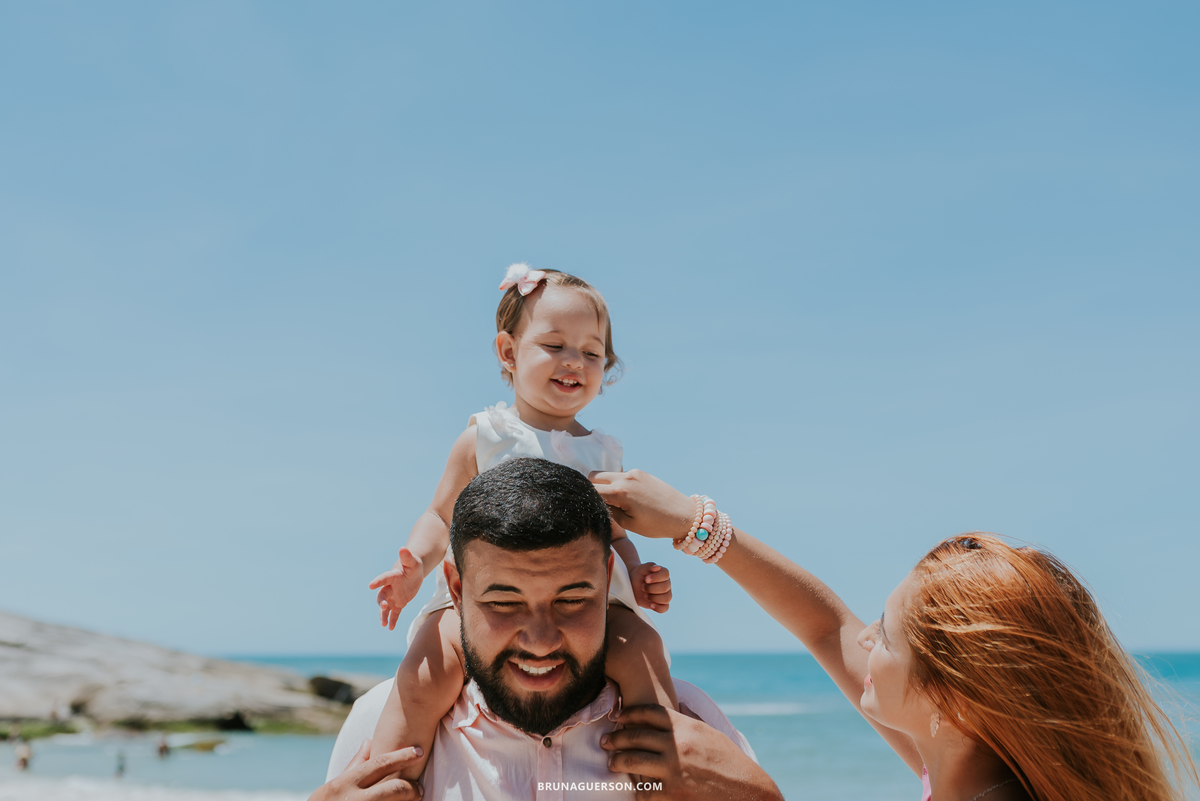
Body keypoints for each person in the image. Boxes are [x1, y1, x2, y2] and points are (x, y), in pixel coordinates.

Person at [591, 469, 1200, 801]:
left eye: (884, 636)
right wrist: (693, 522)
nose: (863, 640)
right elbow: (825, 625)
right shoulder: (971, 762)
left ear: (953, 702)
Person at [366, 265, 676, 782]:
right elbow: (441, 514)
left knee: (643, 648)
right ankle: (385, 777)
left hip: (588, 602)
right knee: (427, 671)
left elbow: (614, 532)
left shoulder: (603, 451)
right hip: (489, 601)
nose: (575, 361)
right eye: (555, 346)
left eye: (592, 352)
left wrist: (639, 572)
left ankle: (661, 771)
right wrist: (415, 566)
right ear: (508, 353)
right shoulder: (485, 437)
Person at [323, 458, 773, 801]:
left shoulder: (690, 725)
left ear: (606, 577)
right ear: (456, 590)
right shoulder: (379, 718)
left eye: (573, 600)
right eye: (504, 602)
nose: (540, 641)